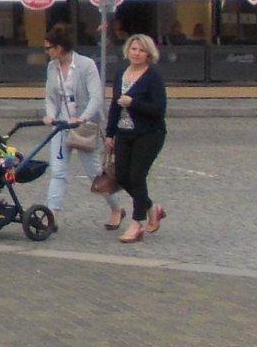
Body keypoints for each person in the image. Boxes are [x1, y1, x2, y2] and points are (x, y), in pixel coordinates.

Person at [41, 22, 117, 232]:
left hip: (84, 125)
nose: (46, 52)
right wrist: (49, 114)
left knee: (94, 173)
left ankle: (116, 208)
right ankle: (52, 215)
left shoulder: (86, 65)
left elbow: (96, 97)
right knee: (58, 172)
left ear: (59, 48)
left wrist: (83, 117)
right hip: (61, 124)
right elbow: (50, 96)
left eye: (48, 48)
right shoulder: (52, 67)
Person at [108, 33, 169, 244]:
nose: (136, 53)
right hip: (124, 133)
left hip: (149, 134)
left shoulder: (153, 77)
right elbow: (115, 105)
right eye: (134, 49)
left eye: (141, 50)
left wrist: (133, 102)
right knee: (123, 177)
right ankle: (152, 207)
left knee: (137, 176)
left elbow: (159, 109)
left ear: (148, 54)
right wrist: (109, 133)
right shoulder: (120, 74)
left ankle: (137, 224)